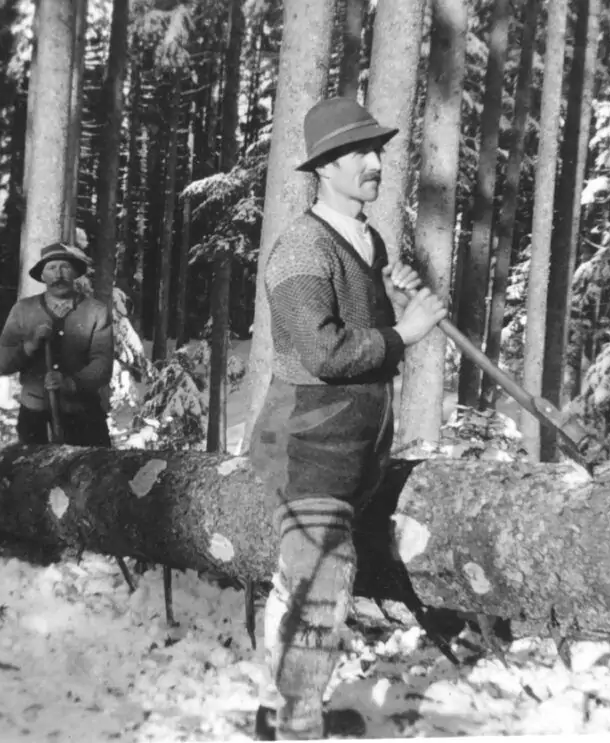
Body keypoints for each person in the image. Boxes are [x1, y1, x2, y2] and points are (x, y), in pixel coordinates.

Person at [248, 96, 448, 740]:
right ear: (325, 167)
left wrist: (391, 302)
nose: (375, 163)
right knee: (320, 591)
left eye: (377, 152)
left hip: (348, 448)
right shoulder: (302, 248)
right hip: (308, 441)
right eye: (359, 153)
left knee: (301, 585)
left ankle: (274, 709)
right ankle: (298, 725)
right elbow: (324, 350)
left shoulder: (365, 238)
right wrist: (406, 334)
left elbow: (362, 322)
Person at [0, 241, 114, 446]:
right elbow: (1, 364)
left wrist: (71, 383)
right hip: (35, 418)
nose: (58, 275)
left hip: (83, 416)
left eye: (65, 267)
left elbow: (102, 364)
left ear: (75, 273)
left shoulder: (96, 311)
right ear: (42, 276)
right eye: (51, 268)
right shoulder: (23, 310)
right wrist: (30, 345)